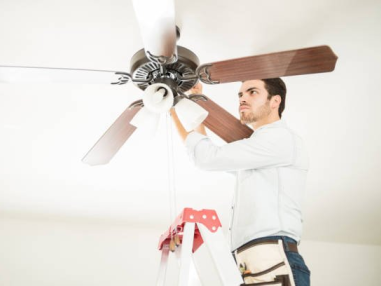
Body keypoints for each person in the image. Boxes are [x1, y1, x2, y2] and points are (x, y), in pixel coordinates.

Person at [170, 78, 310, 286]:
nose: (242, 99)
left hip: (272, 259)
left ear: (275, 101)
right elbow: (210, 156)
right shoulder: (259, 150)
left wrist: (172, 110)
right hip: (254, 262)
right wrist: (189, 108)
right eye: (240, 95)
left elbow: (207, 158)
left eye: (252, 92)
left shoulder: (280, 139)